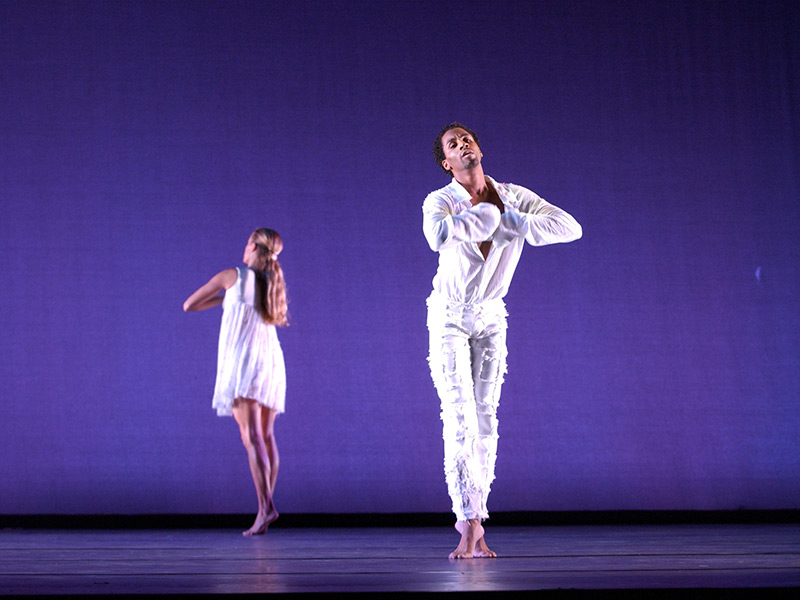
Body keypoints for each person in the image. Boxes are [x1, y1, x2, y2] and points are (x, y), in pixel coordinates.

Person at [423, 123, 582, 558]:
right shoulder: (440, 200)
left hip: (492, 315)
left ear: (479, 147)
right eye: (454, 144)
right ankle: (466, 521)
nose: (463, 144)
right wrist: (484, 218)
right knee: (460, 418)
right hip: (451, 316)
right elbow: (436, 235)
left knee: (486, 416)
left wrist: (515, 222)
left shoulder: (512, 195)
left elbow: (570, 227)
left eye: (467, 138)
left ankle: (479, 519)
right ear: (447, 162)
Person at [183, 228, 289, 536]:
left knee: (250, 437)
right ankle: (264, 508)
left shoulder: (233, 276)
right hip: (270, 363)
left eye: (246, 243)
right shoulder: (271, 284)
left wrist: (223, 298)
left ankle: (266, 507)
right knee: (266, 437)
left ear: (253, 246)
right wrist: (228, 300)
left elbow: (189, 304)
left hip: (244, 363)